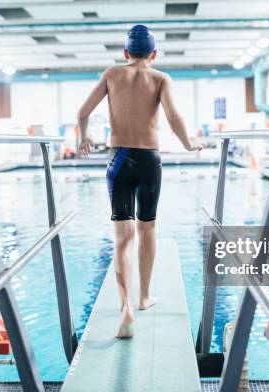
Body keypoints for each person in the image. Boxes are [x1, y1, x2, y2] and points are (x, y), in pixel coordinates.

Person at [77, 24, 203, 338]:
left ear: (125, 53)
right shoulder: (161, 78)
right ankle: (145, 296)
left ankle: (126, 309)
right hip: (150, 161)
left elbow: (82, 112)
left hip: (120, 161)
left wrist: (84, 136)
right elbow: (174, 117)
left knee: (122, 239)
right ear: (154, 54)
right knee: (148, 229)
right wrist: (189, 144)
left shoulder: (111, 74)